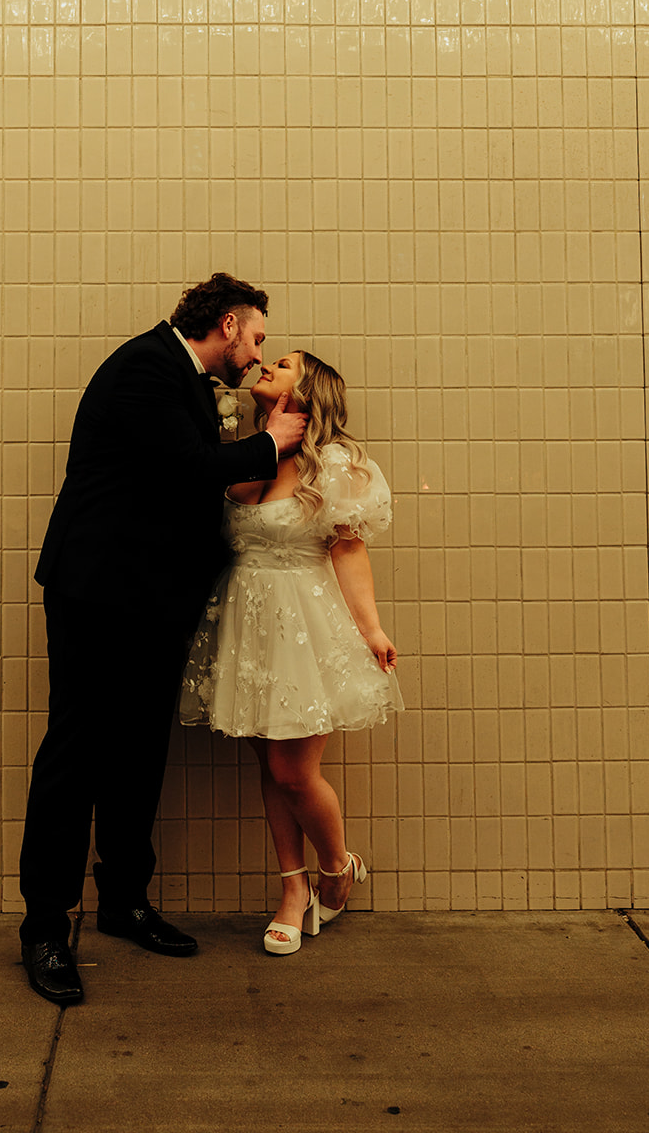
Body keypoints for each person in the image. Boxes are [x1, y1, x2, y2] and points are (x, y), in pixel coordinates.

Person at [19, 274, 307, 1005]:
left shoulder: (182, 378)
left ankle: (123, 903)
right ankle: (46, 929)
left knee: (139, 754)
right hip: (98, 595)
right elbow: (190, 468)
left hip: (154, 602)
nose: (257, 353)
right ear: (231, 323)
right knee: (75, 756)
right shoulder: (145, 367)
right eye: (258, 338)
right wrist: (268, 443)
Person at [180, 350, 402, 956]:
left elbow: (348, 551)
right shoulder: (250, 449)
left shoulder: (335, 465)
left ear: (310, 390)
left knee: (292, 770)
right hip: (245, 625)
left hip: (304, 625)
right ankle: (292, 890)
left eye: (281, 363)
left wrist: (372, 629)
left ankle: (336, 868)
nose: (264, 366)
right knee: (268, 765)